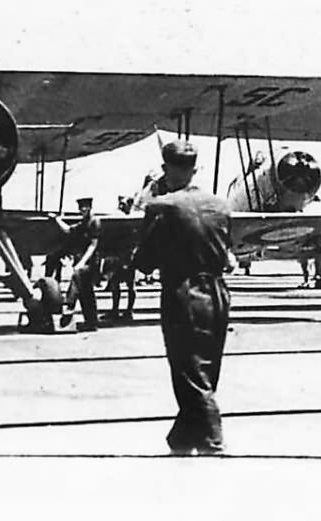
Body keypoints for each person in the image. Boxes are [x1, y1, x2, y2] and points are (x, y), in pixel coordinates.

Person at [133, 140, 235, 455]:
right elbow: (226, 251)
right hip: (219, 294)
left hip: (184, 293)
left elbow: (144, 260)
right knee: (206, 366)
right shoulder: (220, 205)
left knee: (188, 369)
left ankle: (212, 439)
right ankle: (182, 437)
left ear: (166, 169)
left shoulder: (161, 207)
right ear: (194, 170)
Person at [52, 197, 103, 332]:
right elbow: (69, 230)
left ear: (90, 207)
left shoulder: (94, 222)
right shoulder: (83, 223)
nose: (82, 210)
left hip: (91, 262)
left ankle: (69, 306)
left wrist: (81, 262)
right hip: (83, 261)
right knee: (86, 292)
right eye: (81, 208)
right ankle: (91, 322)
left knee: (77, 277)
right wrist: (56, 220)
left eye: (85, 207)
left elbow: (93, 245)